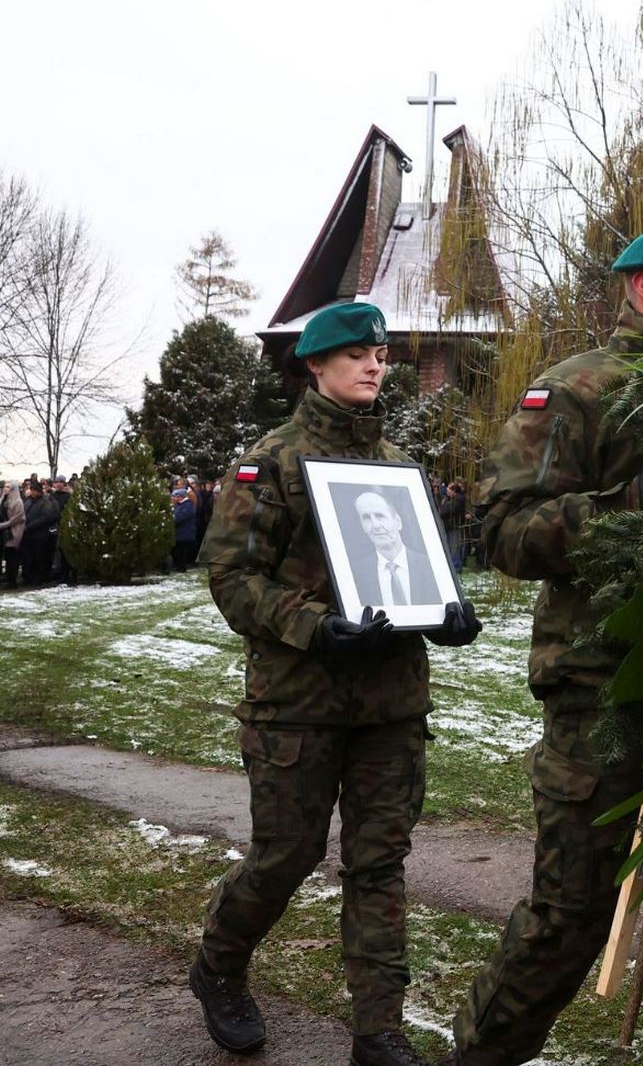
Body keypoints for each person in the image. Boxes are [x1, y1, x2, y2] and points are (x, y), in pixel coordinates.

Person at [439, 219, 643, 1066]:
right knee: (570, 916)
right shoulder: (579, 389)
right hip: (602, 691)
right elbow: (500, 530)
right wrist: (624, 508)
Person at [189, 301, 483, 1066]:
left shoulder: (395, 467)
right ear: (314, 365)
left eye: (381, 354)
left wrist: (448, 615)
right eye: (356, 354)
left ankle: (377, 1031)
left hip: (390, 703)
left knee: (380, 864)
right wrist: (314, 626)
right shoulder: (272, 461)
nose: (375, 364)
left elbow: (418, 573)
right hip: (298, 703)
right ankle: (219, 963)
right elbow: (231, 577)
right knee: (285, 856)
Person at [348, 489, 441, 608]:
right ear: (362, 527)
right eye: (366, 518)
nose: (375, 525)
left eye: (380, 516)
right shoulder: (356, 574)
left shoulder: (430, 566)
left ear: (397, 521)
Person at [20, 480, 58, 586]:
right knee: (27, 558)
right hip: (27, 535)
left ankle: (38, 578)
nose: (31, 492)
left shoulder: (45, 502)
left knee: (39, 558)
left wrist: (30, 526)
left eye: (33, 490)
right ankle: (27, 577)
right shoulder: (28, 501)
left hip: (39, 535)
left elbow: (45, 517)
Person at [1, 481, 24, 588]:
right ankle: (8, 577)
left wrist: (4, 525)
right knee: (8, 556)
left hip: (15, 531)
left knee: (13, 557)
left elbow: (17, 518)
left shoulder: (18, 502)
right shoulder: (6, 500)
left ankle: (12, 581)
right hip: (7, 531)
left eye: (8, 487)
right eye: (5, 486)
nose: (6, 488)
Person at [171, 486, 199, 571]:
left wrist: (172, 519)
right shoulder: (179, 505)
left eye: (176, 496)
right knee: (178, 552)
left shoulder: (188, 505)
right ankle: (178, 566)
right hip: (180, 533)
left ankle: (182, 567)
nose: (174, 498)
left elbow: (180, 517)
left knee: (182, 552)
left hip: (185, 533)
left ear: (181, 497)